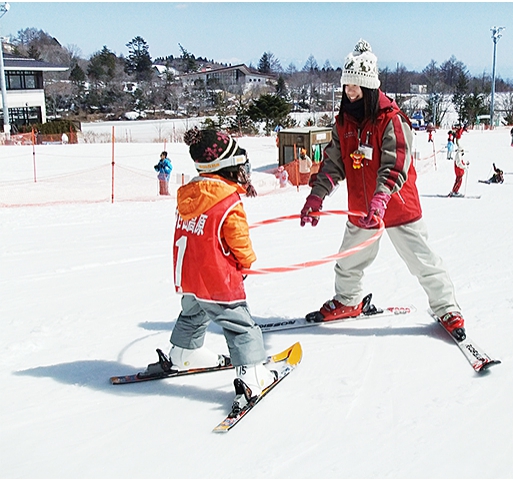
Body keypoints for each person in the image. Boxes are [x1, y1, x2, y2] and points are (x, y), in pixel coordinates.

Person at [299, 39, 466, 341]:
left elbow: (397, 162)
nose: (350, 91)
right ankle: (348, 301)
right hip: (362, 208)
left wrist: (382, 195)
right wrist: (316, 196)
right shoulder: (344, 122)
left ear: (370, 87)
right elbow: (333, 163)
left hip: (397, 204)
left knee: (422, 260)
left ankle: (446, 308)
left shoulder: (391, 119)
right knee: (348, 261)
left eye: (356, 86)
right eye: (347, 85)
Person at [147, 127, 278, 411]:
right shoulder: (228, 202)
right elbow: (239, 241)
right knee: (239, 324)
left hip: (189, 276)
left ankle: (184, 352)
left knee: (193, 312)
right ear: (226, 168)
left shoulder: (189, 196)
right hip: (217, 278)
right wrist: (245, 263)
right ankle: (253, 374)